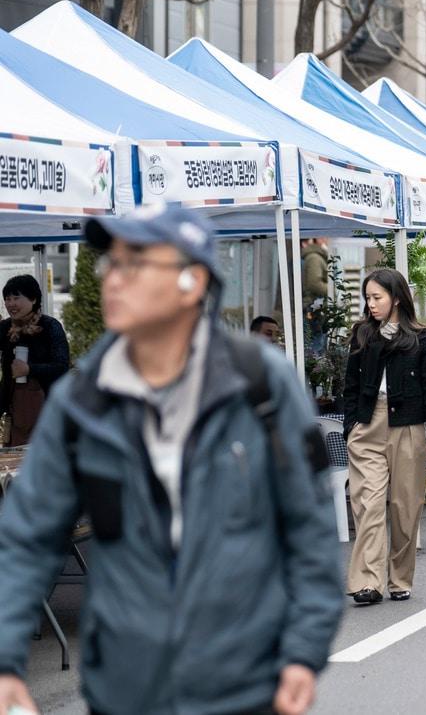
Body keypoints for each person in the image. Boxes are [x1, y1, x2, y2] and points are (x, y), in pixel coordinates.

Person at [0, 204, 342, 715]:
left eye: (134, 264)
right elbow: (26, 536)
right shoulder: (85, 400)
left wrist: (302, 652)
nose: (112, 279)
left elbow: (309, 529)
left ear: (191, 281)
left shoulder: (259, 382)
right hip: (126, 686)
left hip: (248, 681)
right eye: (109, 264)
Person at [341, 268, 426, 605]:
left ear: (397, 298)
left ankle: (400, 578)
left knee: (405, 507)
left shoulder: (422, 338)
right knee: (368, 504)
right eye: (368, 298)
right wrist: (352, 427)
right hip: (368, 426)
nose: (370, 304)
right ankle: (368, 582)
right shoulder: (362, 334)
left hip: (409, 427)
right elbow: (350, 387)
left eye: (377, 298)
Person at [1, 274, 70, 446]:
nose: (10, 304)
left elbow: (61, 366)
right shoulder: (5, 328)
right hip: (16, 411)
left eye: (16, 298)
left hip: (48, 410)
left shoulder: (50, 326)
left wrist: (29, 369)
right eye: (7, 299)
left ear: (33, 299)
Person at [301, 237, 330, 303]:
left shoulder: (317, 256)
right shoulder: (314, 258)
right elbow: (315, 284)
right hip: (316, 305)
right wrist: (335, 289)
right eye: (326, 237)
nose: (328, 240)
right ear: (318, 239)